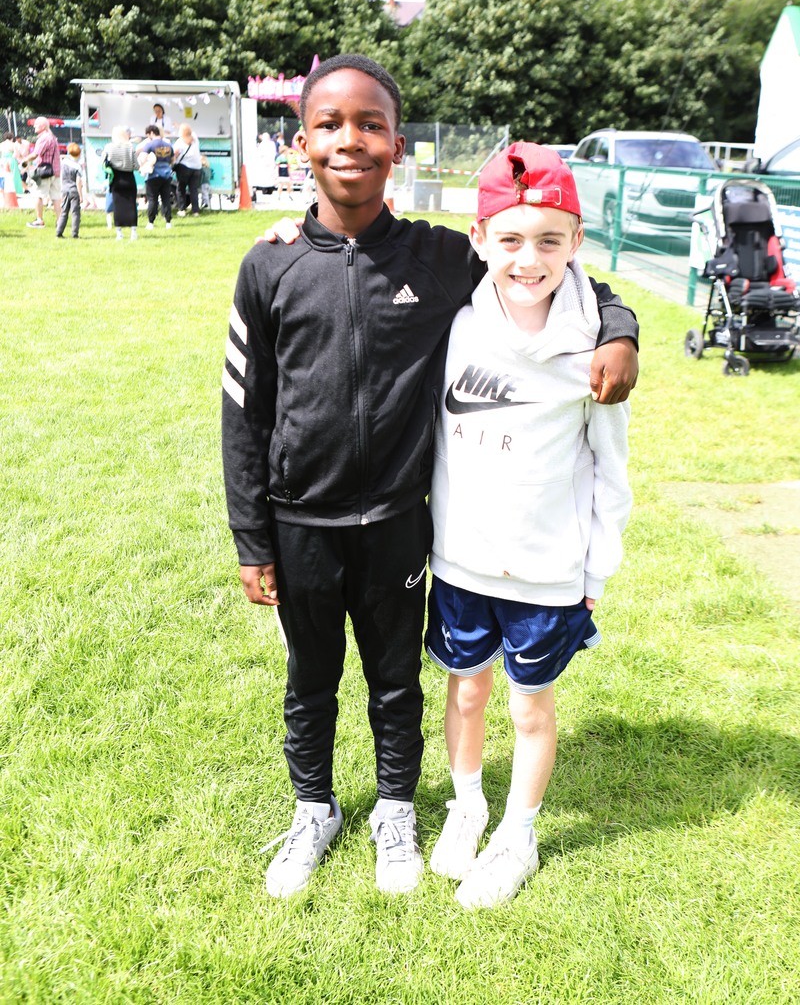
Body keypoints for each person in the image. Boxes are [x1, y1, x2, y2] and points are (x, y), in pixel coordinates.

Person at [221, 54, 638, 901]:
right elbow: (243, 412)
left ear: (397, 146)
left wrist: (621, 329)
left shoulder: (442, 256)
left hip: (401, 524)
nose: (350, 140)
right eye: (330, 125)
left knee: (397, 683)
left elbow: (549, 267)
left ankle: (397, 810)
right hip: (300, 525)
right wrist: (251, 537)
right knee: (310, 681)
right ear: (301, 145)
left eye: (370, 124)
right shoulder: (269, 264)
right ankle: (313, 809)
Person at [423, 143, 632, 909]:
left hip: (547, 574)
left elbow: (611, 471)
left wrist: (596, 569)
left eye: (549, 240)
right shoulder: (451, 324)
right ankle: (468, 807)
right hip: (459, 563)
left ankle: (519, 832)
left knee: (528, 706)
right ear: (479, 239)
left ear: (577, 241)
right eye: (509, 239)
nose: (528, 259)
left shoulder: (595, 346)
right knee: (465, 694)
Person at [23, 116, 61, 229]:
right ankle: (60, 221)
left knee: (38, 195)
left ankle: (39, 220)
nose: (34, 126)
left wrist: (24, 160)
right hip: (55, 171)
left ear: (43, 126)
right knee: (56, 197)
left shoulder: (44, 138)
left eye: (37, 124)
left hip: (45, 172)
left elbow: (36, 154)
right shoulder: (53, 137)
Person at [102, 126, 139, 240]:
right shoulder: (130, 147)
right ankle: (133, 232)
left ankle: (119, 233)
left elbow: (103, 162)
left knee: (117, 206)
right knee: (131, 205)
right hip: (129, 178)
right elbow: (136, 166)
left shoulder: (109, 147)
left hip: (116, 179)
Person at [137, 124, 174, 229]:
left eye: (148, 135)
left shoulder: (149, 145)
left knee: (152, 199)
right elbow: (173, 159)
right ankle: (168, 222)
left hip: (153, 175)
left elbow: (142, 159)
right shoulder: (168, 145)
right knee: (166, 199)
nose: (148, 137)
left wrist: (143, 166)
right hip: (166, 175)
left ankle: (151, 222)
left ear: (152, 133)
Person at [55, 142, 86, 239]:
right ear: (79, 154)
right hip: (74, 191)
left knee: (64, 212)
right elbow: (78, 182)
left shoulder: (64, 162)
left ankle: (59, 232)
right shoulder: (78, 166)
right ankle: (74, 233)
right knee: (75, 213)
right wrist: (81, 195)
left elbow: (61, 177)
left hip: (65, 190)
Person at [173, 123, 202, 216]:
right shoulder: (195, 138)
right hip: (197, 168)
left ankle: (182, 209)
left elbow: (174, 155)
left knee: (181, 189)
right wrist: (180, 126)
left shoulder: (179, 142)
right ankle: (195, 211)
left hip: (184, 168)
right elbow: (189, 131)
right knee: (193, 189)